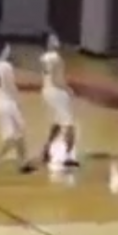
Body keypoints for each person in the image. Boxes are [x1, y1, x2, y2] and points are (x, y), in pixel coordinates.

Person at [0, 38, 36, 176]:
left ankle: (23, 163)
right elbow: (11, 87)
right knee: (10, 138)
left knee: (20, 132)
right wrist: (18, 100)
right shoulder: (6, 66)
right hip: (9, 103)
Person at [40, 33, 79, 168]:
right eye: (54, 39)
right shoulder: (57, 59)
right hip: (56, 92)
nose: (57, 41)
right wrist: (68, 89)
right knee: (70, 125)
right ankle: (69, 156)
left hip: (46, 90)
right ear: (49, 43)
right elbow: (57, 80)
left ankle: (46, 150)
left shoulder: (44, 57)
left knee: (57, 122)